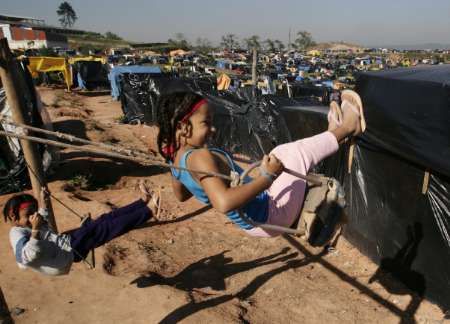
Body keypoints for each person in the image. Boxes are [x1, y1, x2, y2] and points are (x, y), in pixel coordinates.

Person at [157, 90, 364, 237]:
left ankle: (331, 134)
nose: (212, 129)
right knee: (293, 152)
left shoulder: (176, 159)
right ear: (184, 128)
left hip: (256, 223)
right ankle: (348, 127)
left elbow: (181, 195)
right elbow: (223, 203)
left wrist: (177, 172)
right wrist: (267, 177)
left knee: (278, 153)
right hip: (271, 214)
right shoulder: (199, 157)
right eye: (206, 123)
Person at [3, 182, 159, 276]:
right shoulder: (17, 233)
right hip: (69, 251)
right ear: (13, 216)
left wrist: (43, 202)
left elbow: (43, 222)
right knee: (107, 228)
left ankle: (141, 203)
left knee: (104, 220)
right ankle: (148, 211)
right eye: (28, 214)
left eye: (34, 212)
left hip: (66, 243)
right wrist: (36, 230)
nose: (34, 216)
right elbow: (25, 259)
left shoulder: (28, 224)